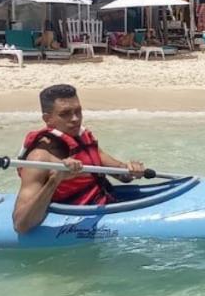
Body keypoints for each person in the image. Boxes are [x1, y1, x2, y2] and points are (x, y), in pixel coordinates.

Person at [12, 84, 147, 233]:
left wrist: (132, 169)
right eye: (65, 114)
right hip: (75, 217)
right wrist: (55, 180)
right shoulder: (39, 159)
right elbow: (21, 225)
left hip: (103, 207)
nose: (75, 119)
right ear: (48, 119)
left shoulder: (82, 138)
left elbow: (121, 174)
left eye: (78, 111)